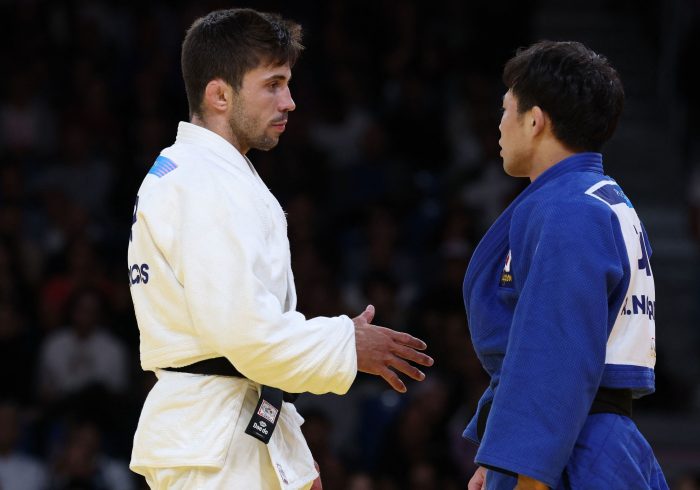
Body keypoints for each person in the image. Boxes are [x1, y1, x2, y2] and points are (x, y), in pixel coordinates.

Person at [126, 8, 433, 490]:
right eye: (273, 85)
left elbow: (244, 339)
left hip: (231, 429)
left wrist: (293, 459)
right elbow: (245, 334)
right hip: (214, 445)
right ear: (220, 94)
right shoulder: (204, 184)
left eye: (287, 84)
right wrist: (345, 344)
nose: (289, 102)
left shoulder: (204, 174)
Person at [462, 41, 668, 489]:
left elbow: (555, 352)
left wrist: (527, 471)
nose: (498, 126)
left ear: (535, 121)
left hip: (572, 450)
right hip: (580, 437)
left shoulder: (569, 210)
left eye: (505, 111)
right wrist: (497, 451)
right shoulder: (596, 197)